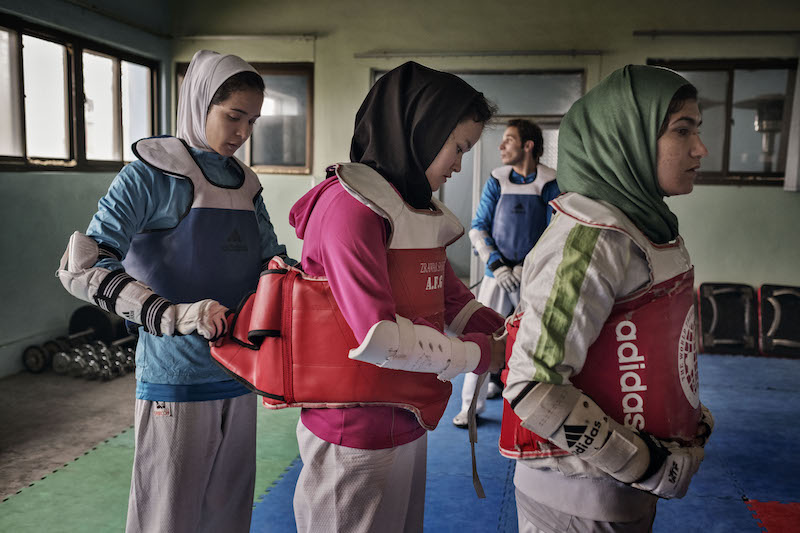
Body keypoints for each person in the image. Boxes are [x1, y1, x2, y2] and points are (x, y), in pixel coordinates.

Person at [56, 49, 292, 533]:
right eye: (233, 116)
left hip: (240, 371)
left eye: (252, 120)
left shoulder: (245, 184)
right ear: (200, 102)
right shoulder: (149, 173)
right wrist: (170, 314)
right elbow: (82, 265)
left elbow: (272, 263)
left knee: (229, 515)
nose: (243, 133)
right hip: (176, 377)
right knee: (167, 518)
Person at [287, 61, 506, 532]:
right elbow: (379, 336)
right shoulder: (351, 207)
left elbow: (452, 300)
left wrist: (512, 332)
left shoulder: (412, 209)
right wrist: (480, 355)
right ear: (423, 130)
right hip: (354, 431)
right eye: (458, 148)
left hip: (408, 415)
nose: (458, 165)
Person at [501, 65, 715, 532]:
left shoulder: (643, 227)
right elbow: (531, 386)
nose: (700, 148)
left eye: (698, 130)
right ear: (628, 136)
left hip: (620, 495)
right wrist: (646, 464)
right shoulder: (592, 236)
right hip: (575, 499)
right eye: (682, 130)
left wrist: (681, 413)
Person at [453, 119, 560, 428]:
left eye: (509, 140)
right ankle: (470, 407)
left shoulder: (550, 182)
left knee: (537, 341)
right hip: (496, 275)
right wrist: (498, 265)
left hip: (533, 277)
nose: (501, 146)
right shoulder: (497, 180)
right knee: (483, 336)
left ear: (527, 146)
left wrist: (528, 265)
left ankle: (540, 409)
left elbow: (556, 230)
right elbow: (478, 227)